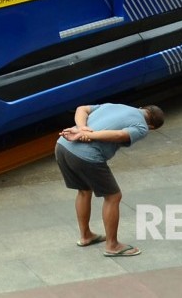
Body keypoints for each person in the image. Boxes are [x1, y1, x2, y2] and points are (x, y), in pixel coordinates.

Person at [55, 103, 165, 257]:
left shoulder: (115, 105)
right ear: (152, 127)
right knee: (113, 196)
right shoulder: (142, 127)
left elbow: (82, 108)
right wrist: (86, 134)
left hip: (63, 146)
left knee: (84, 191)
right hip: (86, 154)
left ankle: (86, 235)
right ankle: (112, 245)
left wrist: (81, 128)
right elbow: (120, 135)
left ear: (143, 108)